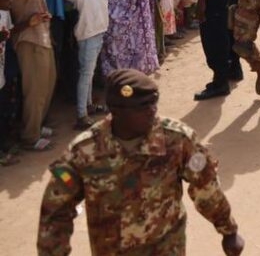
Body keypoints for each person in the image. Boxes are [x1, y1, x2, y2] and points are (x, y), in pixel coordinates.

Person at [37, 69, 245, 255]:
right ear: (116, 111)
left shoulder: (177, 139)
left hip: (167, 248)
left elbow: (205, 186)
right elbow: (56, 212)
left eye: (153, 102)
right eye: (142, 106)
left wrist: (228, 230)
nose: (152, 110)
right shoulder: (83, 152)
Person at [9, 0, 69, 151]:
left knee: (47, 83)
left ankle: (36, 124)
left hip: (40, 36)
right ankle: (30, 135)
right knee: (35, 90)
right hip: (29, 40)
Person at [62, 0, 108, 129]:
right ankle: (81, 115)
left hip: (97, 33)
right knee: (86, 74)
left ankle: (88, 106)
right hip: (88, 36)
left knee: (88, 73)